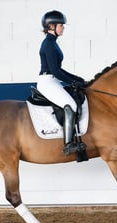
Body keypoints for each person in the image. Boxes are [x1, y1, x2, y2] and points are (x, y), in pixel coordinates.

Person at [37, 10, 86, 156]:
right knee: (70, 105)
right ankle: (69, 145)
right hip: (47, 82)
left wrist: (77, 79)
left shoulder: (52, 42)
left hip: (52, 80)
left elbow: (58, 69)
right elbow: (55, 71)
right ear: (51, 26)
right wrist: (72, 82)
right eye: (61, 25)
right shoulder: (49, 44)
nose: (63, 27)